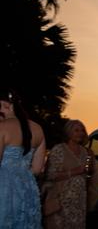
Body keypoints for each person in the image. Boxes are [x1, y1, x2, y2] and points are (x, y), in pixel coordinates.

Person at [0, 89, 46, 228]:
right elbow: (37, 169)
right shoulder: (38, 129)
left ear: (6, 105)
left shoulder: (2, 128)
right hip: (27, 187)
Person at [44, 119, 98, 229]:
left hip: (79, 201)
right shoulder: (59, 149)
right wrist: (74, 171)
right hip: (61, 199)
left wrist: (90, 171)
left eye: (82, 130)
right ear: (68, 132)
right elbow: (50, 175)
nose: (80, 133)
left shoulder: (85, 151)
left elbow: (88, 174)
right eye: (76, 130)